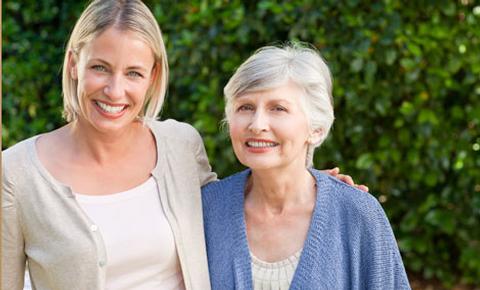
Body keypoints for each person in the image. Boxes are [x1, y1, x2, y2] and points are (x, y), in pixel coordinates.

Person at [2, 1, 367, 290]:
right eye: (99, 67)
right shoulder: (17, 173)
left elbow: (230, 212)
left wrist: (310, 186)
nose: (115, 91)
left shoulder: (180, 145)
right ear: (73, 65)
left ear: (153, 76)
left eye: (133, 73)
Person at [202, 44, 411, 289]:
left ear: (316, 128)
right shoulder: (206, 210)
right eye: (245, 107)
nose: (257, 124)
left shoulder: (358, 214)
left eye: (278, 108)